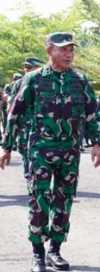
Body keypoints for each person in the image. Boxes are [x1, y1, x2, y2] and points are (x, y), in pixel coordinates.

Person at [0, 32, 100, 272]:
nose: (68, 54)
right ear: (49, 51)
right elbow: (15, 112)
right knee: (39, 200)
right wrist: (6, 146)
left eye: (71, 50)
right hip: (40, 151)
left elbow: (91, 113)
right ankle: (37, 250)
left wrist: (96, 144)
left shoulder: (80, 80)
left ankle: (55, 249)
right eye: (63, 49)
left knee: (64, 200)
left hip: (69, 150)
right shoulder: (33, 80)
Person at [8, 57, 44, 195]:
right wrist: (11, 130)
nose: (26, 70)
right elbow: (11, 108)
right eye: (26, 67)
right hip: (24, 125)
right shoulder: (18, 83)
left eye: (30, 67)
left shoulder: (46, 81)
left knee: (40, 154)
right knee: (26, 153)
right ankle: (30, 178)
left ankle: (38, 179)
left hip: (42, 126)